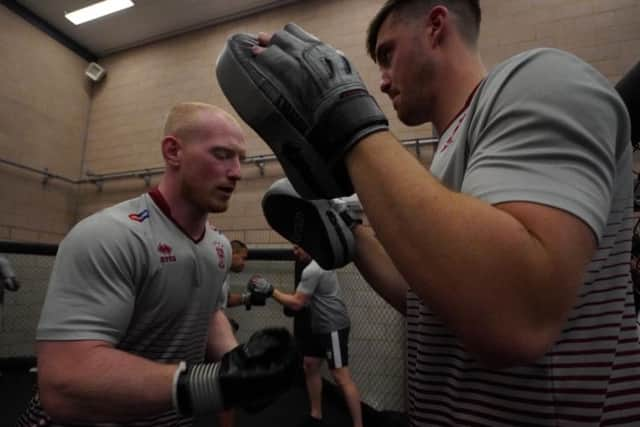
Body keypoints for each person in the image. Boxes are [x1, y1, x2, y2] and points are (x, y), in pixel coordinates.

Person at [220, 1, 640, 425]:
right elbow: (435, 300)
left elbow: (514, 315)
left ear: (436, 26)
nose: (381, 82)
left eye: (387, 55)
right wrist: (354, 238)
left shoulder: (540, 79)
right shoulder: (446, 153)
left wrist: (348, 118)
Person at [17, 102, 298, 427]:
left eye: (240, 159)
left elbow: (208, 312)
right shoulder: (110, 234)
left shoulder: (219, 247)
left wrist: (238, 364)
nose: (236, 171)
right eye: (221, 155)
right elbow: (63, 383)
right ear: (173, 152)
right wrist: (216, 383)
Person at [252, 245, 363, 427]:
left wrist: (270, 290)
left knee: (340, 376)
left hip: (332, 325)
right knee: (310, 364)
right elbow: (303, 301)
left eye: (298, 248)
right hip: (317, 324)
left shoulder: (314, 269)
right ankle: (316, 415)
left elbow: (296, 303)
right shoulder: (314, 265)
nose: (294, 252)